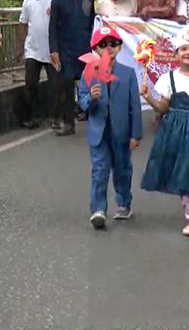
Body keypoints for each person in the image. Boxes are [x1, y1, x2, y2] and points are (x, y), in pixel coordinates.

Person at [140, 28, 189, 236]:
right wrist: (149, 98)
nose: (187, 52)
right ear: (176, 53)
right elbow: (163, 107)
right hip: (178, 132)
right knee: (185, 171)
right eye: (183, 49)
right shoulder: (169, 79)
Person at [78, 27, 142, 229]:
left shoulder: (128, 73)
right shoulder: (89, 72)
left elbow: (135, 106)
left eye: (113, 44)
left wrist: (136, 133)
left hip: (121, 131)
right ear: (95, 49)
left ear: (120, 47)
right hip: (99, 131)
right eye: (103, 45)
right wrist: (91, 98)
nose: (109, 48)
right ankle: (98, 209)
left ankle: (124, 202)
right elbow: (82, 101)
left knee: (122, 168)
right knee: (100, 170)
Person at [49, 0, 96, 136]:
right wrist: (54, 50)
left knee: (92, 85)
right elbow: (53, 27)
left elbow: (94, 21)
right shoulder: (58, 1)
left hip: (86, 48)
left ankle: (96, 119)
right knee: (67, 86)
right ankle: (68, 123)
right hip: (66, 51)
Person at [19, 0, 58, 129]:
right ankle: (34, 117)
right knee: (30, 84)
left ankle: (55, 116)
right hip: (32, 50)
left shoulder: (56, 0)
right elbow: (23, 24)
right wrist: (20, 47)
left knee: (55, 85)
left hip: (52, 50)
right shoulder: (28, 1)